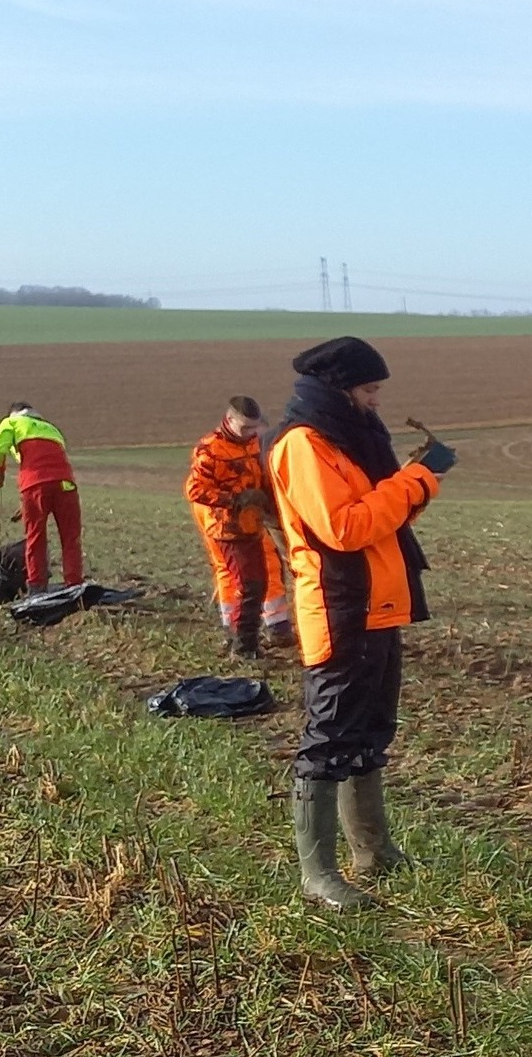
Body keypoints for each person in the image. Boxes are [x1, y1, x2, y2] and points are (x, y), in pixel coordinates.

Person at [267, 337, 456, 910]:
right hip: (339, 606)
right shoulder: (304, 444)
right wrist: (417, 478)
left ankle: (373, 850)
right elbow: (345, 528)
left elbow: (384, 510)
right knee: (328, 738)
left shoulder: (345, 440)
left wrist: (419, 477)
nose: (376, 401)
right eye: (370, 390)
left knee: (370, 731)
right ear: (340, 389)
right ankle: (317, 874)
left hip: (377, 605)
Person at [185, 396, 286, 658]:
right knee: (250, 585)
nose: (251, 434)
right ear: (229, 421)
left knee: (259, 583)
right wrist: (234, 500)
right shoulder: (210, 449)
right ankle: (243, 647)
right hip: (227, 529)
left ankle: (246, 643)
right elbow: (195, 489)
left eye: (255, 428)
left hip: (252, 526)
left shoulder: (253, 444)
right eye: (245, 428)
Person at [0, 403, 82, 595]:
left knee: (36, 538)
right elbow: (49, 466)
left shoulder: (12, 422)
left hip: (34, 485)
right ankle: (75, 586)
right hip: (66, 484)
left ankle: (37, 589)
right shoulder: (51, 429)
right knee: (71, 538)